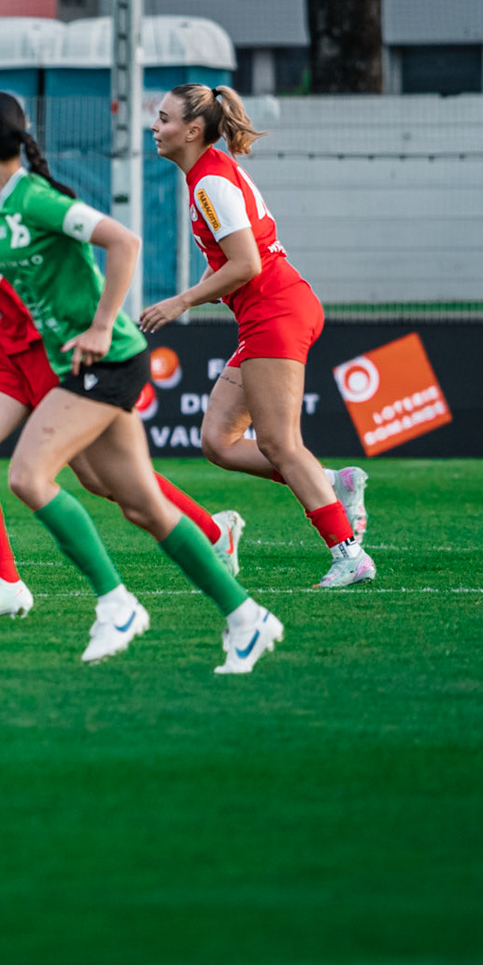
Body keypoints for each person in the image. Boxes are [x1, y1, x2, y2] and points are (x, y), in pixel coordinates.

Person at [0, 93, 247, 626]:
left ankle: (207, 540)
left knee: (105, 481)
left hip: (54, 346)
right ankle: (5, 583)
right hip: (9, 343)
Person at [0, 90, 281, 673]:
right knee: (142, 504)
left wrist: (102, 327)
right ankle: (246, 616)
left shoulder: (33, 197)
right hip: (89, 365)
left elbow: (125, 241)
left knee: (28, 476)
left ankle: (116, 603)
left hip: (106, 361)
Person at [138, 84, 374, 589]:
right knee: (218, 443)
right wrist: (193, 294)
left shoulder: (210, 183)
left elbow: (246, 264)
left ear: (193, 131)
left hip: (278, 311)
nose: (154, 128)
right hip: (269, 312)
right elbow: (237, 261)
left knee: (279, 444)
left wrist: (181, 302)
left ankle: (348, 553)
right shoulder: (206, 175)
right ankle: (333, 483)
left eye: (163, 119)